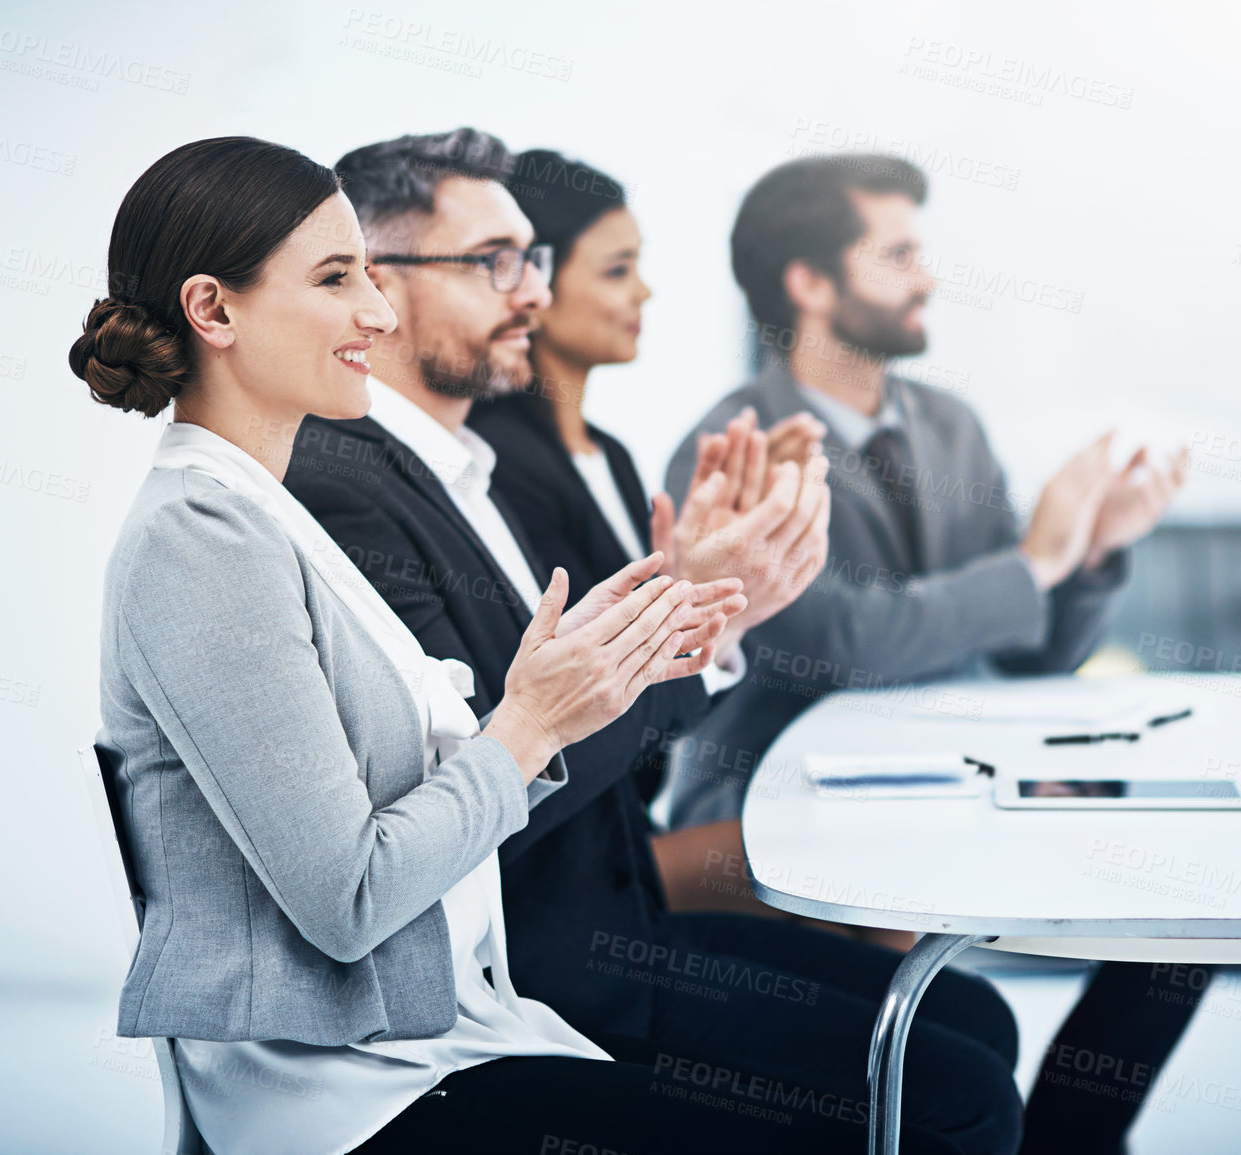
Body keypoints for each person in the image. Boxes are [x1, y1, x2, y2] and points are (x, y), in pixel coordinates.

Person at [77, 135, 917, 1155]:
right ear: (214, 310)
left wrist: (652, 638)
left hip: (447, 1026)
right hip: (354, 1091)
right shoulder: (200, 538)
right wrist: (530, 725)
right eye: (338, 279)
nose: (376, 313)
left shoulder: (269, 513)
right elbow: (350, 900)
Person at [286, 128, 1025, 1155]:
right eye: (496, 263)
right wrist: (697, 612)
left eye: (536, 261)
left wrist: (704, 611)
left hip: (601, 923)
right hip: (545, 964)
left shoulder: (464, 476)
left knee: (969, 1028)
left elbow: (555, 724)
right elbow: (486, 776)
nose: (532, 294)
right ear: (377, 285)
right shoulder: (347, 489)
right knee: (953, 1090)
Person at [662, 154, 1197, 1154]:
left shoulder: (950, 427)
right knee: (952, 1020)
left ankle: (1074, 1141)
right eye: (898, 253)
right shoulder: (730, 450)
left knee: (1176, 906)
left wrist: (1090, 558)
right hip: (784, 803)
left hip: (950, 780)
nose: (927, 276)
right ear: (810, 284)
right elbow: (836, 645)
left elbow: (1031, 650)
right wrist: (1038, 558)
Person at [466, 149, 837, 905]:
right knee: (841, 868)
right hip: (564, 863)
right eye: (614, 269)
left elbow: (654, 722)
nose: (643, 289)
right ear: (532, 281)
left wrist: (705, 581)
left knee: (854, 877)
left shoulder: (614, 457)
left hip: (628, 822)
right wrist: (684, 604)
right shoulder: (492, 468)